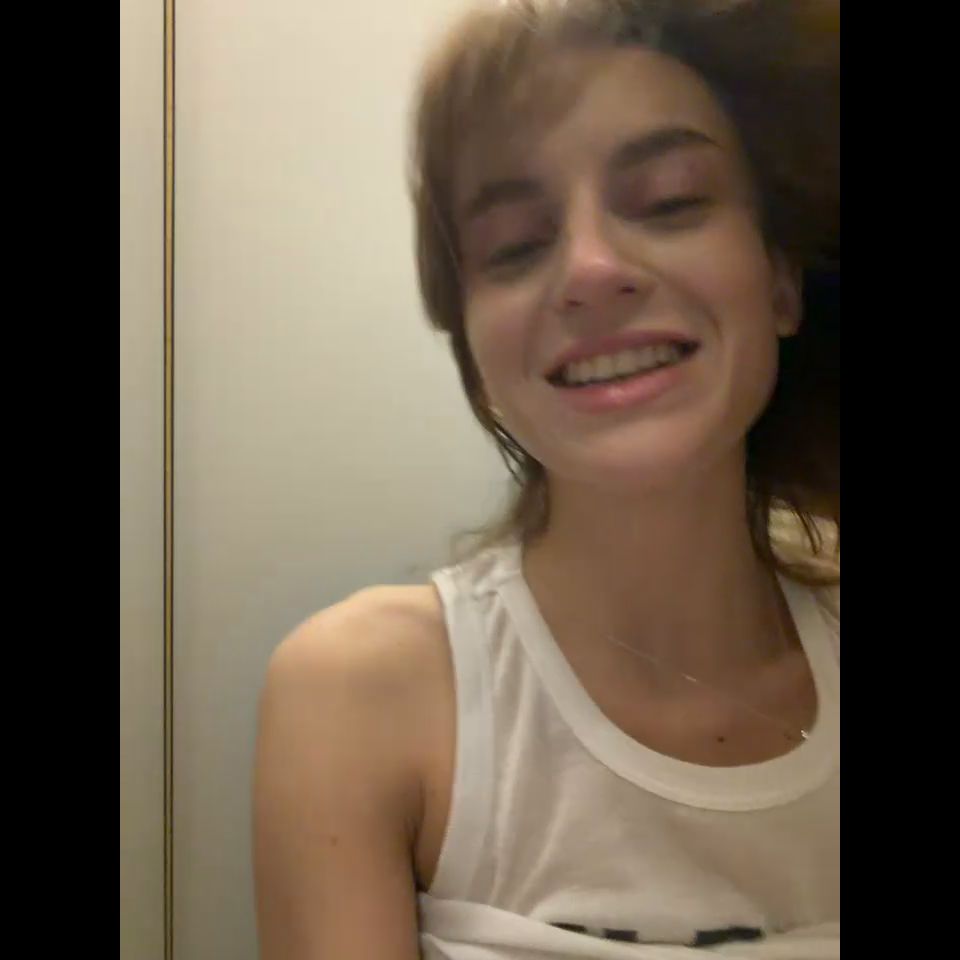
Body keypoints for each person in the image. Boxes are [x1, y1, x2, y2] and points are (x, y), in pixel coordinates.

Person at [253, 1, 840, 957]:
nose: (591, 269)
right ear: (475, 346)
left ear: (780, 279)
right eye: (518, 245)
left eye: (671, 200)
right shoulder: (357, 698)